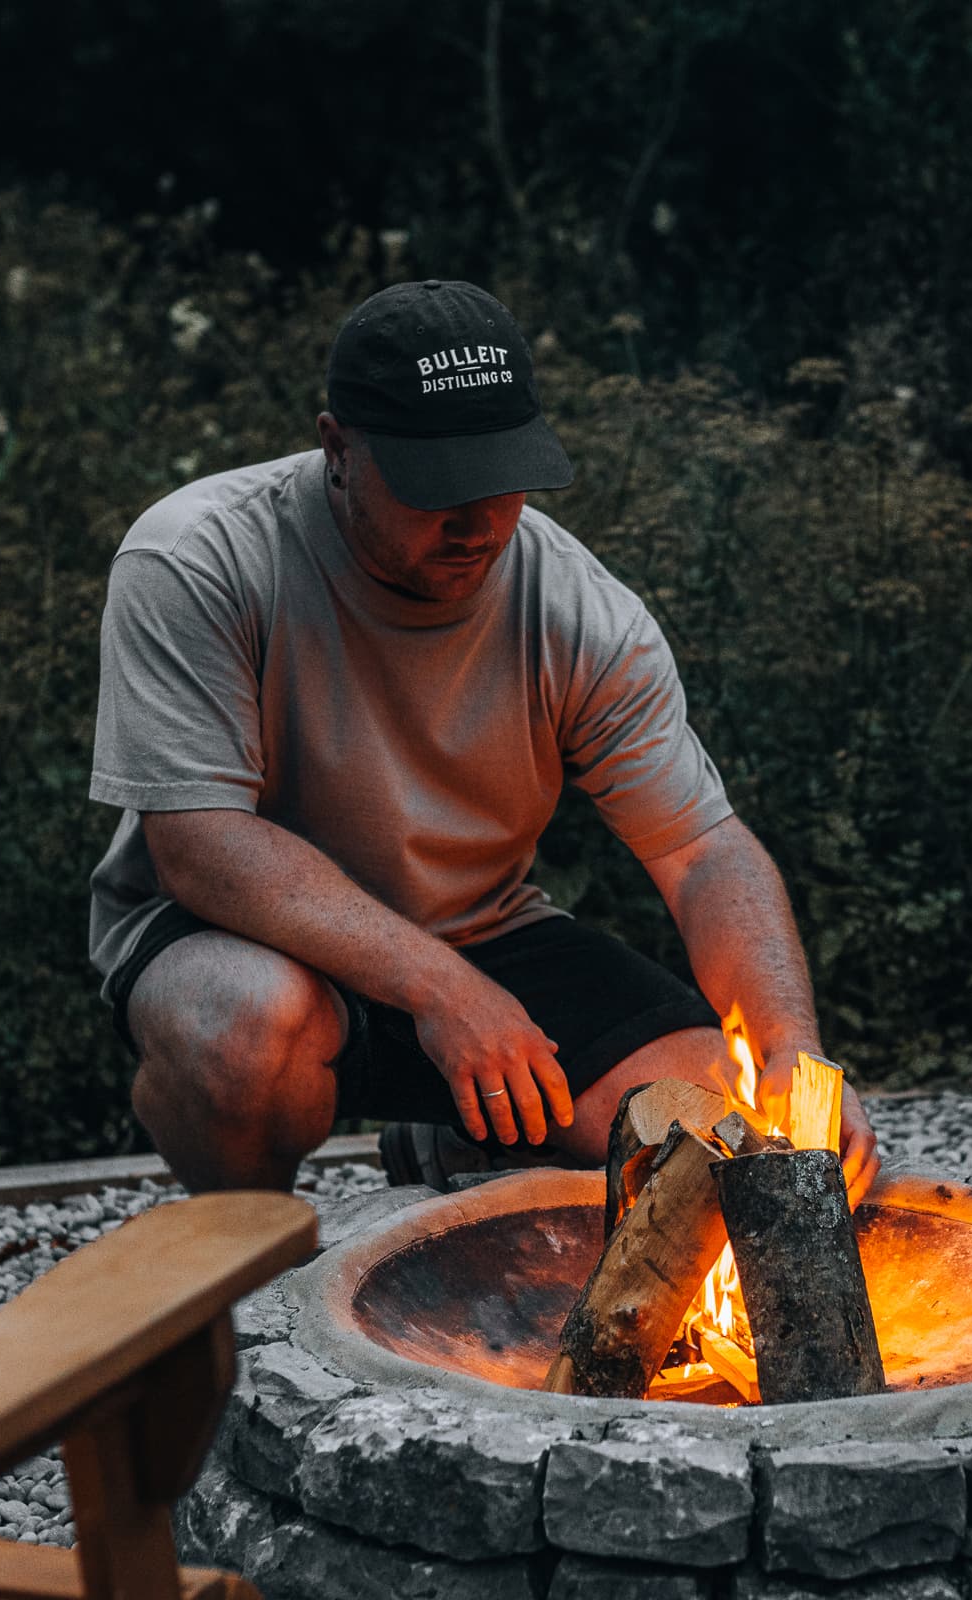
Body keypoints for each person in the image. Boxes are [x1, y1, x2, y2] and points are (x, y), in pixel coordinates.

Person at [85, 279, 879, 1200]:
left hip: (480, 929)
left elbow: (701, 852)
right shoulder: (199, 560)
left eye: (500, 483)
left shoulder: (579, 612)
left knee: (717, 1113)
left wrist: (792, 1051)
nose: (477, 523)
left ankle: (462, 1139)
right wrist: (443, 991)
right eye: (437, 489)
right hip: (237, 936)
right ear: (338, 448)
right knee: (241, 1029)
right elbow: (203, 849)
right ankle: (245, 1256)